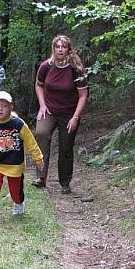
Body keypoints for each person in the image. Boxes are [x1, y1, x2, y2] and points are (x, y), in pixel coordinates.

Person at [32, 35, 89, 194]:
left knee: (66, 147)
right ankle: (41, 177)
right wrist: (42, 105)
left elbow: (83, 95)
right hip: (49, 110)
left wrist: (75, 117)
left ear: (68, 49)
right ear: (53, 49)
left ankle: (65, 182)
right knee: (41, 134)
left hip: (69, 113)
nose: (60, 50)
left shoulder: (76, 69)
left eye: (63, 47)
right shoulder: (46, 66)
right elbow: (39, 85)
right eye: (57, 47)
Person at [0, 91, 43, 224]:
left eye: (4, 106)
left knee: (15, 189)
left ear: (11, 107)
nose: (1, 109)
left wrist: (38, 157)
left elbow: (31, 141)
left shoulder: (18, 124)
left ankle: (18, 203)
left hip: (15, 163)